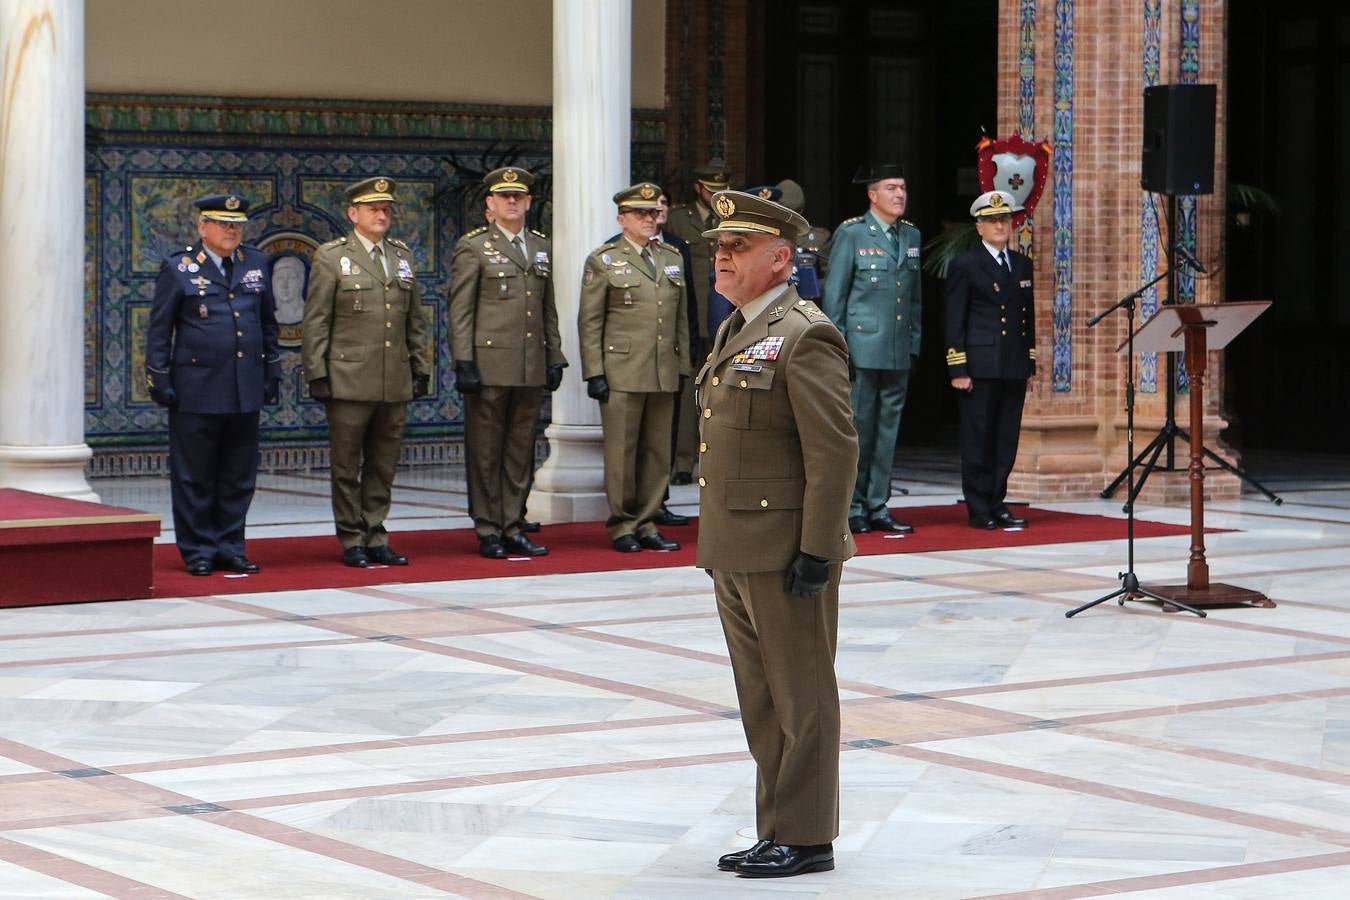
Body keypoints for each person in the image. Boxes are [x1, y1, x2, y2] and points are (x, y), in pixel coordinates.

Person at [696, 189, 857, 878]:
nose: (722, 259)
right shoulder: (738, 327)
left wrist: (818, 550)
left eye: (737, 249)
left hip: (787, 549)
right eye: (719, 249)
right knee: (760, 698)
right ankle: (778, 828)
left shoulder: (805, 333)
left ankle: (809, 835)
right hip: (736, 546)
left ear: (781, 258)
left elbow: (834, 452)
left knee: (802, 694)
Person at [145, 193, 280, 576]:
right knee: (195, 475)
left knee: (238, 474)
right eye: (223, 224)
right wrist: (159, 379)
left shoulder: (256, 263)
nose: (231, 231)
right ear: (202, 226)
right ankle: (199, 549)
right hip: (197, 389)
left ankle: (231, 545)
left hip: (243, 388)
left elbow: (268, 325)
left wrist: (272, 372)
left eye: (237, 225)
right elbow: (159, 332)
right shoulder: (179, 268)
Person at [302, 176, 431, 567]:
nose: (381, 215)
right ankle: (352, 538)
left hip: (393, 378)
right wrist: (316, 372)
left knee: (383, 463)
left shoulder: (402, 256)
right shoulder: (331, 256)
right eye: (373, 209)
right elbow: (316, 320)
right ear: (353, 213)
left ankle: (376, 533)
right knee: (347, 465)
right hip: (348, 378)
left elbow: (415, 320)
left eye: (386, 209)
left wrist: (419, 366)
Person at [449, 166, 565, 559]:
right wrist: (463, 359)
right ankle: (488, 527)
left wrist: (555, 354)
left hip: (529, 364)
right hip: (489, 364)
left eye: (518, 197)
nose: (511, 202)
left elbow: (547, 307)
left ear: (529, 202)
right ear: (490, 204)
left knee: (519, 450)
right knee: (486, 451)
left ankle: (513, 523)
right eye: (504, 196)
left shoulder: (539, 246)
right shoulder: (474, 247)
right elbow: (460, 310)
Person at [579, 182, 691, 552]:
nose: (649, 219)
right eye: (639, 214)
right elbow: (591, 321)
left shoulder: (671, 257)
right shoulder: (604, 259)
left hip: (663, 368)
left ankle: (647, 522)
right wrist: (594, 371)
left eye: (652, 213)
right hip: (622, 370)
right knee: (623, 452)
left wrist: (683, 363)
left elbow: (680, 320)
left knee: (658, 451)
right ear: (622, 219)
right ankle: (623, 523)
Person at [822, 162, 922, 535]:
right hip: (860, 348)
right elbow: (836, 298)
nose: (899, 195)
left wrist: (913, 344)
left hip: (896, 349)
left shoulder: (911, 236)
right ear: (872, 194)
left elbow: (914, 301)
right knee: (857, 430)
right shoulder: (852, 234)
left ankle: (878, 503)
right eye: (892, 188)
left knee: (887, 432)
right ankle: (851, 506)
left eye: (903, 188)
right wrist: (838, 349)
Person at [943, 190, 1036, 530]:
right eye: (992, 221)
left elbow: (1028, 317)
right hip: (979, 365)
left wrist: (1030, 362)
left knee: (1005, 438)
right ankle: (979, 507)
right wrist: (958, 367)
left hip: (1012, 364)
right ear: (979, 227)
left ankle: (998, 502)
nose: (1000, 226)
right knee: (978, 437)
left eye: (1004, 220)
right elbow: (955, 319)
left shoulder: (1022, 264)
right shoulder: (965, 265)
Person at [664, 162, 736, 483]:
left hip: (728, 319)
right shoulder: (680, 220)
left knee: (726, 396)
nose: (716, 196)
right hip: (693, 320)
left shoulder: (734, 218)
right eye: (710, 190)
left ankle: (718, 461)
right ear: (698, 188)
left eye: (722, 189)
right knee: (688, 392)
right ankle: (682, 462)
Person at [775, 178, 832, 300]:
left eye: (792, 213)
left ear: (801, 211)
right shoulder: (765, 237)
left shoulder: (819, 239)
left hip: (806, 307)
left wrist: (810, 284)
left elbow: (832, 281)